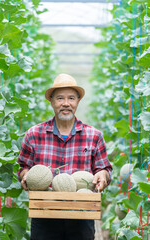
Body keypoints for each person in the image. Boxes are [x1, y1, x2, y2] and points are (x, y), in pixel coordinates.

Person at [18, 73, 112, 240]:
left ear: (77, 102)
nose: (66, 103)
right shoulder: (34, 134)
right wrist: (25, 176)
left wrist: (102, 176)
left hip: (82, 214)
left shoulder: (94, 135)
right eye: (60, 98)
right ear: (52, 101)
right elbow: (23, 167)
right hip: (44, 212)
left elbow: (104, 169)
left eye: (71, 98)